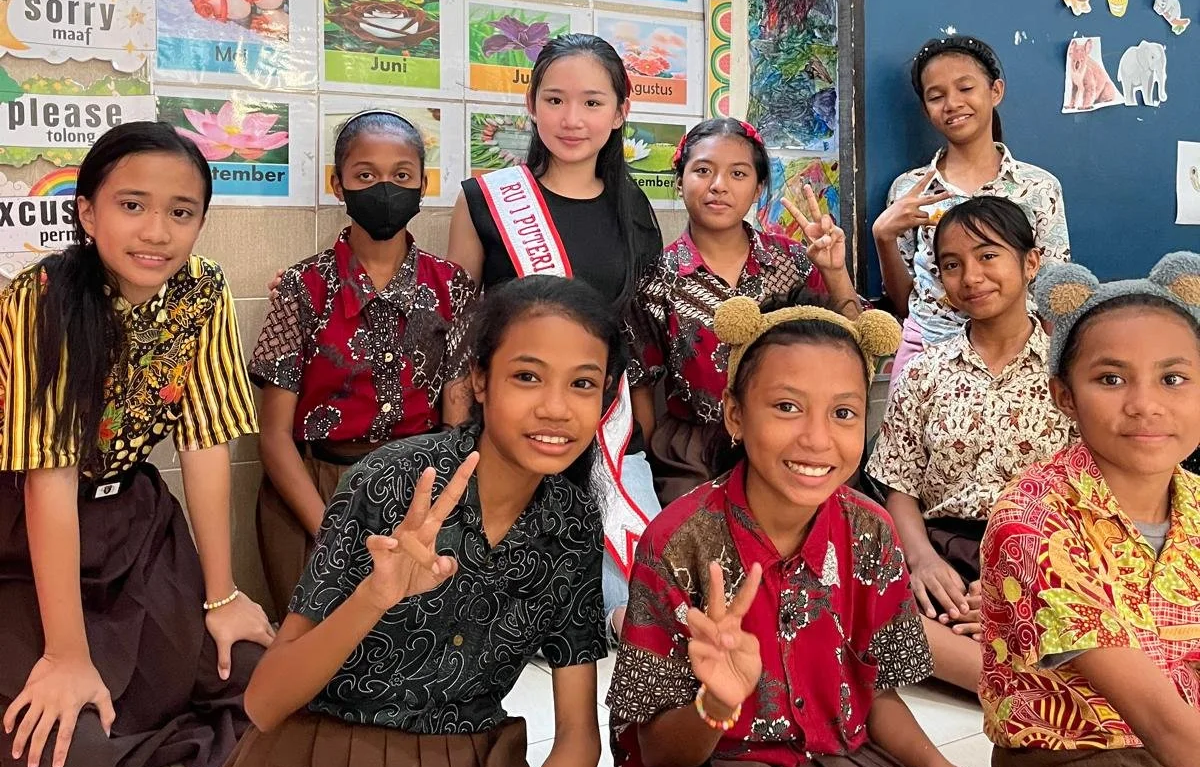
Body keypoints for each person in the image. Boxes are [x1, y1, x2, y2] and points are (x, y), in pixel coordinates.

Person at [56, 277, 725, 767]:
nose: (553, 408)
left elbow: (577, 738)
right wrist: (375, 596)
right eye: (527, 377)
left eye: (583, 385)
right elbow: (266, 702)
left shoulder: (571, 516)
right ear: (479, 380)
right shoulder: (393, 483)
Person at [607, 293, 1139, 767]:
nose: (817, 440)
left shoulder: (868, 530)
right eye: (786, 408)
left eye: (844, 413)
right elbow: (656, 760)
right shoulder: (680, 539)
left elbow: (879, 692)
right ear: (736, 415)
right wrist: (714, 703)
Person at [0, 122, 273, 767]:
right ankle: (84, 687)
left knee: (251, 671)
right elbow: (48, 480)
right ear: (88, 212)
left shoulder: (203, 291)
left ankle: (132, 707)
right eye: (132, 205)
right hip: (24, 534)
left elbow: (206, 443)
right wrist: (65, 655)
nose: (157, 231)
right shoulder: (39, 300)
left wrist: (221, 596)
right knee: (65, 763)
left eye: (180, 213)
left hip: (136, 526)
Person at [981, 255, 1200, 767]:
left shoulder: (1196, 503)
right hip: (1087, 766)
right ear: (1063, 397)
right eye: (1112, 379)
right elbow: (1161, 722)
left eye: (1174, 379)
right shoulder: (1035, 521)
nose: (1146, 405)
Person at [447, 32, 662, 632]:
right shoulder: (485, 201)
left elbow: (639, 329)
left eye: (593, 103)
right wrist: (456, 424)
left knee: (646, 598)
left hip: (605, 430)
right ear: (531, 104)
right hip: (513, 424)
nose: (573, 119)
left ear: (621, 112)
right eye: (556, 100)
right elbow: (461, 329)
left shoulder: (635, 208)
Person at [251, 111, 476, 618]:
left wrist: (431, 514)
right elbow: (273, 438)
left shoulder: (452, 287)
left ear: (422, 184)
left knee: (412, 654)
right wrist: (332, 530)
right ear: (338, 184)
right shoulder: (301, 288)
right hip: (314, 490)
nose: (384, 187)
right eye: (365, 175)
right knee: (314, 662)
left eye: (401, 175)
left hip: (418, 489)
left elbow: (456, 423)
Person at [868, 196, 1072, 691]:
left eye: (987, 256)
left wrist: (1025, 585)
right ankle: (1024, 685)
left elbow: (1097, 490)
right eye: (951, 265)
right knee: (879, 616)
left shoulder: (1071, 371)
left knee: (1095, 615)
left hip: (1047, 555)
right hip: (947, 554)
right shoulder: (923, 371)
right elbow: (901, 485)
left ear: (1030, 262)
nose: (971, 277)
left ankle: (1008, 672)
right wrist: (922, 561)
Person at [627, 116, 860, 505]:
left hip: (793, 438)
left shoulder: (792, 261)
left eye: (738, 173)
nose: (718, 186)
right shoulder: (656, 278)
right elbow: (643, 383)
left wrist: (834, 271)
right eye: (702, 170)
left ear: (758, 189)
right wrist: (653, 457)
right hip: (694, 454)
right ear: (680, 180)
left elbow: (852, 341)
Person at [873, 34, 1069, 382]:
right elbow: (905, 300)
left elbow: (1053, 294)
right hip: (928, 351)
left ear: (995, 91)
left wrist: (1055, 367)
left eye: (965, 88)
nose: (952, 103)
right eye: (936, 96)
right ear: (925, 109)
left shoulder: (1038, 187)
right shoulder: (910, 189)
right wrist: (883, 237)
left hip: (1018, 356)